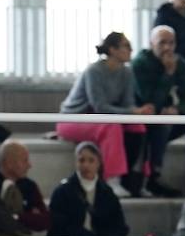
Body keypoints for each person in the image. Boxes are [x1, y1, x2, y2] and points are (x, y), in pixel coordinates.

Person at [57, 32, 150, 198]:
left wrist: (137, 112)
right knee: (111, 125)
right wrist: (131, 111)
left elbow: (128, 103)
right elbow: (99, 106)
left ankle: (134, 180)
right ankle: (112, 179)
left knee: (138, 126)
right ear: (113, 50)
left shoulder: (127, 72)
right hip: (73, 119)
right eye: (126, 46)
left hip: (103, 118)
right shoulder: (94, 71)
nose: (131, 50)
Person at [131, 25, 185, 197]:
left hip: (168, 114)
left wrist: (177, 109)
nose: (167, 48)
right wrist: (168, 74)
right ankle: (154, 176)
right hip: (144, 116)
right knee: (161, 124)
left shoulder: (181, 63)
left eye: (171, 43)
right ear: (151, 44)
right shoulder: (140, 63)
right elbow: (149, 100)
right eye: (162, 43)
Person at [46, 141, 129, 236]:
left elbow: (119, 225)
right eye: (81, 160)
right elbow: (58, 225)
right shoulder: (62, 191)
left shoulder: (107, 193)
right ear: (76, 163)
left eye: (91, 160)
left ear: (98, 163)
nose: (86, 165)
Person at [0, 140, 51, 236]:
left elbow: (45, 221)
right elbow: (2, 222)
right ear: (9, 163)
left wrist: (17, 217)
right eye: (25, 160)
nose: (29, 165)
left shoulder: (29, 185)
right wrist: (29, 218)